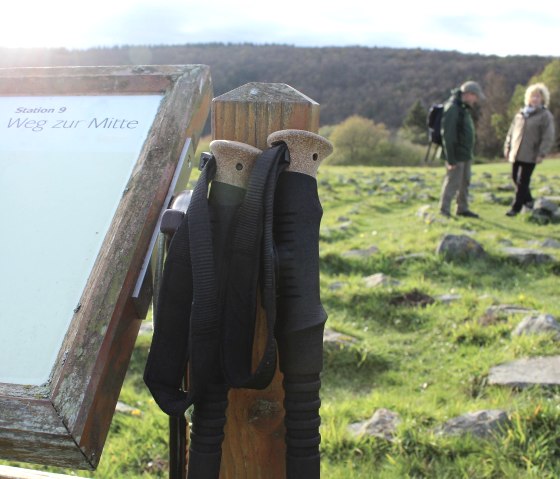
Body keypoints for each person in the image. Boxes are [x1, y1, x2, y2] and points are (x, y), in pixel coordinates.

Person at [503, 83, 555, 216]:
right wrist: (507, 147)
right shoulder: (520, 114)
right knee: (515, 178)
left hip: (531, 154)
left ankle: (516, 208)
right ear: (528, 98)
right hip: (516, 153)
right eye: (533, 96)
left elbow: (548, 136)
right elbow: (511, 132)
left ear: (543, 99)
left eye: (538, 96)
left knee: (522, 181)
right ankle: (529, 201)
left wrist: (541, 153)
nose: (535, 99)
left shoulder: (545, 115)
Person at [438, 80, 485, 218]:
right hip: (456, 155)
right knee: (453, 182)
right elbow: (448, 135)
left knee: (465, 182)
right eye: (475, 96)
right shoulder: (452, 108)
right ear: (469, 94)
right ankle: (444, 210)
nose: (476, 100)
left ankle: (462, 208)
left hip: (465, 154)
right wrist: (450, 159)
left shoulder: (463, 107)